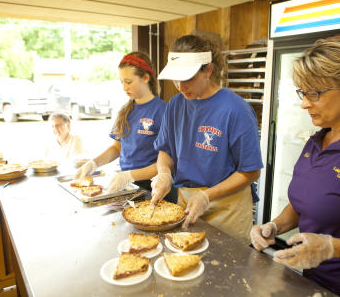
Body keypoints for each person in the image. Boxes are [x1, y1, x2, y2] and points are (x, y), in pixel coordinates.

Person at [250, 33, 340, 297]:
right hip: (310, 284)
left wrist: (336, 247)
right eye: (303, 92)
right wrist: (274, 226)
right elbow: (305, 204)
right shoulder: (317, 141)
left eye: (315, 93)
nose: (304, 103)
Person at [150, 35, 263, 244]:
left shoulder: (236, 110)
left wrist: (206, 196)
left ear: (208, 71)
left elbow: (251, 171)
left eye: (188, 79)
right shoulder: (175, 105)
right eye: (176, 79)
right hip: (187, 202)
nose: (181, 87)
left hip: (228, 208)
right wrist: (164, 174)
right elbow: (165, 150)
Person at [75, 52, 177, 203]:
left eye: (128, 82)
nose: (124, 87)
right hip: (128, 185)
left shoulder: (162, 110)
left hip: (155, 187)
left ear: (146, 78)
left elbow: (167, 163)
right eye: (121, 82)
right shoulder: (125, 111)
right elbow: (117, 148)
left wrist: (129, 175)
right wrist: (94, 163)